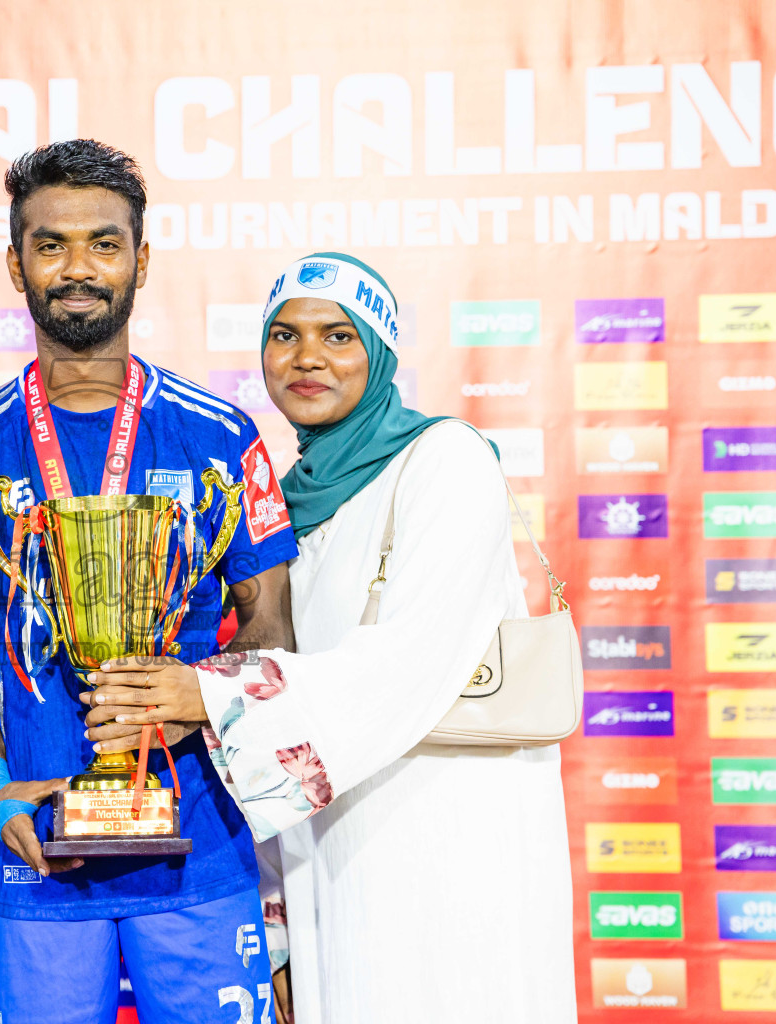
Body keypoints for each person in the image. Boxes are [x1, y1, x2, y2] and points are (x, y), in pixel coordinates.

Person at [89, 253, 579, 1023]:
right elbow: (289, 675)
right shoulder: (284, 502)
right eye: (283, 335)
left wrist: (208, 695)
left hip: (448, 831)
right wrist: (279, 928)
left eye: (337, 335)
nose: (306, 357)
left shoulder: (444, 460)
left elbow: (411, 656)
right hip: (334, 842)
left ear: (379, 353)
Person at [0, 140, 298, 1024]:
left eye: (103, 243)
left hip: (200, 846)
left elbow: (272, 627)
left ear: (141, 258)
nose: (78, 268)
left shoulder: (217, 435)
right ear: (15, 264)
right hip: (38, 853)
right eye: (50, 245)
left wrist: (195, 696)